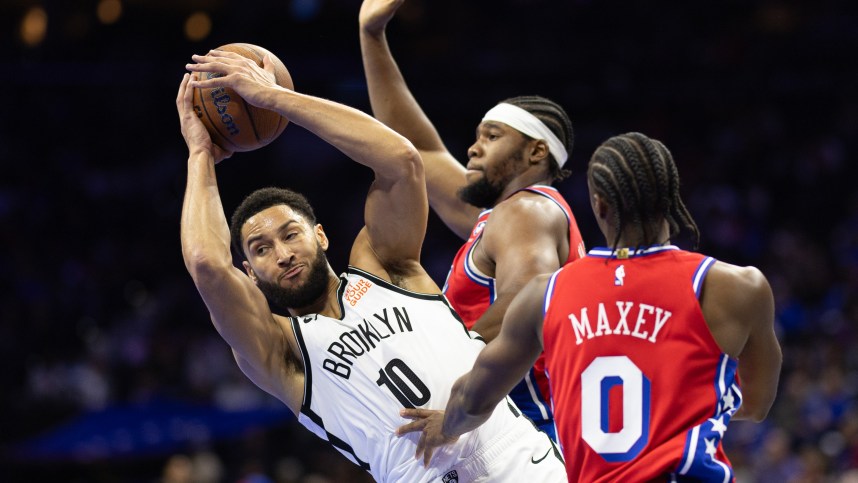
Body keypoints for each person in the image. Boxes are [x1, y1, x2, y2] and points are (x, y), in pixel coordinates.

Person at [177, 49, 566, 482]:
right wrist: (200, 154)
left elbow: (401, 161)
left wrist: (274, 99)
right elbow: (206, 263)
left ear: (320, 235)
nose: (282, 253)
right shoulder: (280, 350)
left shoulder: (384, 266)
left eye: (290, 234)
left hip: (515, 457)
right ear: (249, 272)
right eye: (261, 249)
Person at [397, 132, 783, 481]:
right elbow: (756, 403)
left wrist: (444, 425)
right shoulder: (736, 287)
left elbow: (474, 400)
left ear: (598, 205)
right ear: (672, 197)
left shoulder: (545, 294)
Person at [359, 0, 586, 439]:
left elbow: (524, 306)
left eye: (492, 137)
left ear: (536, 152)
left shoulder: (527, 211)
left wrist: (439, 368)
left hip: (535, 430)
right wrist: (372, 36)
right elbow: (416, 152)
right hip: (506, 422)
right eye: (477, 137)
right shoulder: (500, 215)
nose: (472, 148)